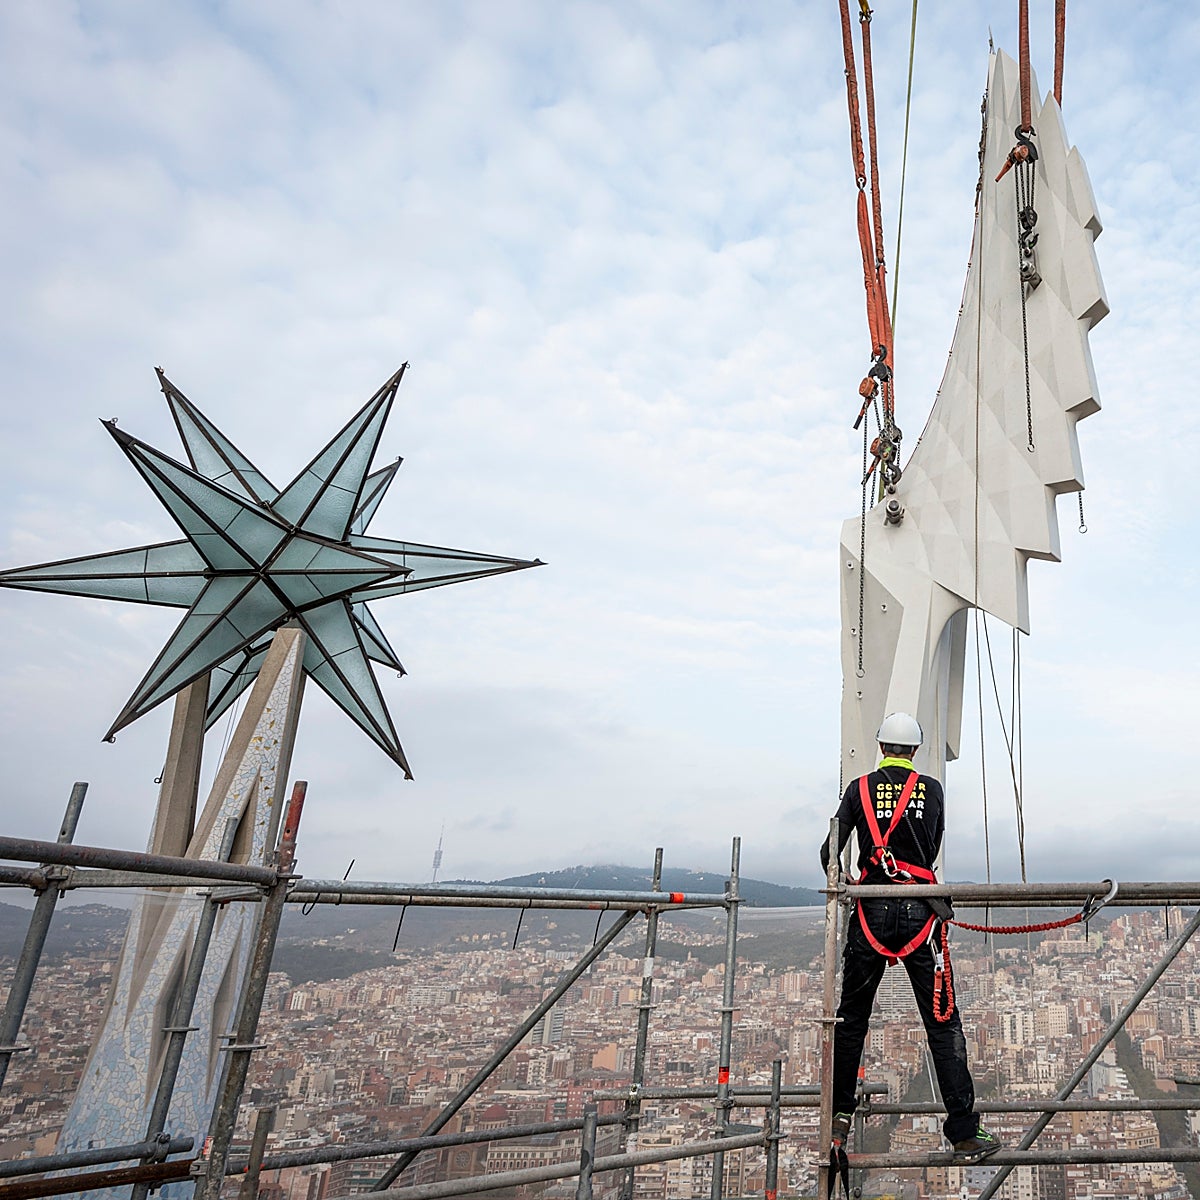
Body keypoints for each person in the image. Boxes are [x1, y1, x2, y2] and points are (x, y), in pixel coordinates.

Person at [820, 711, 1001, 1163]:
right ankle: (963, 1130)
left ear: (881, 748)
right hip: (922, 912)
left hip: (871, 913)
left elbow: (831, 850)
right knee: (942, 1023)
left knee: (851, 1018)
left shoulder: (859, 789)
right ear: (915, 752)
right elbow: (933, 842)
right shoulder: (933, 790)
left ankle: (839, 1114)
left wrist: (849, 875)